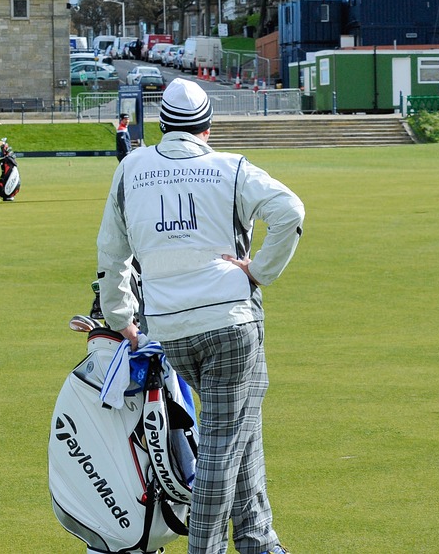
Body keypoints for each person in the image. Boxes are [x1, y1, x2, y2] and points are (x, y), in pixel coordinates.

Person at [95, 78, 304, 554]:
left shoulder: (131, 167)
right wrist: (260, 273)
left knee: (240, 429)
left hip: (169, 331)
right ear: (208, 127)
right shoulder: (230, 168)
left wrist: (122, 317)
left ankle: (258, 542)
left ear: (164, 124)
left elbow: (111, 253)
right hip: (231, 325)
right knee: (219, 452)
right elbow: (289, 211)